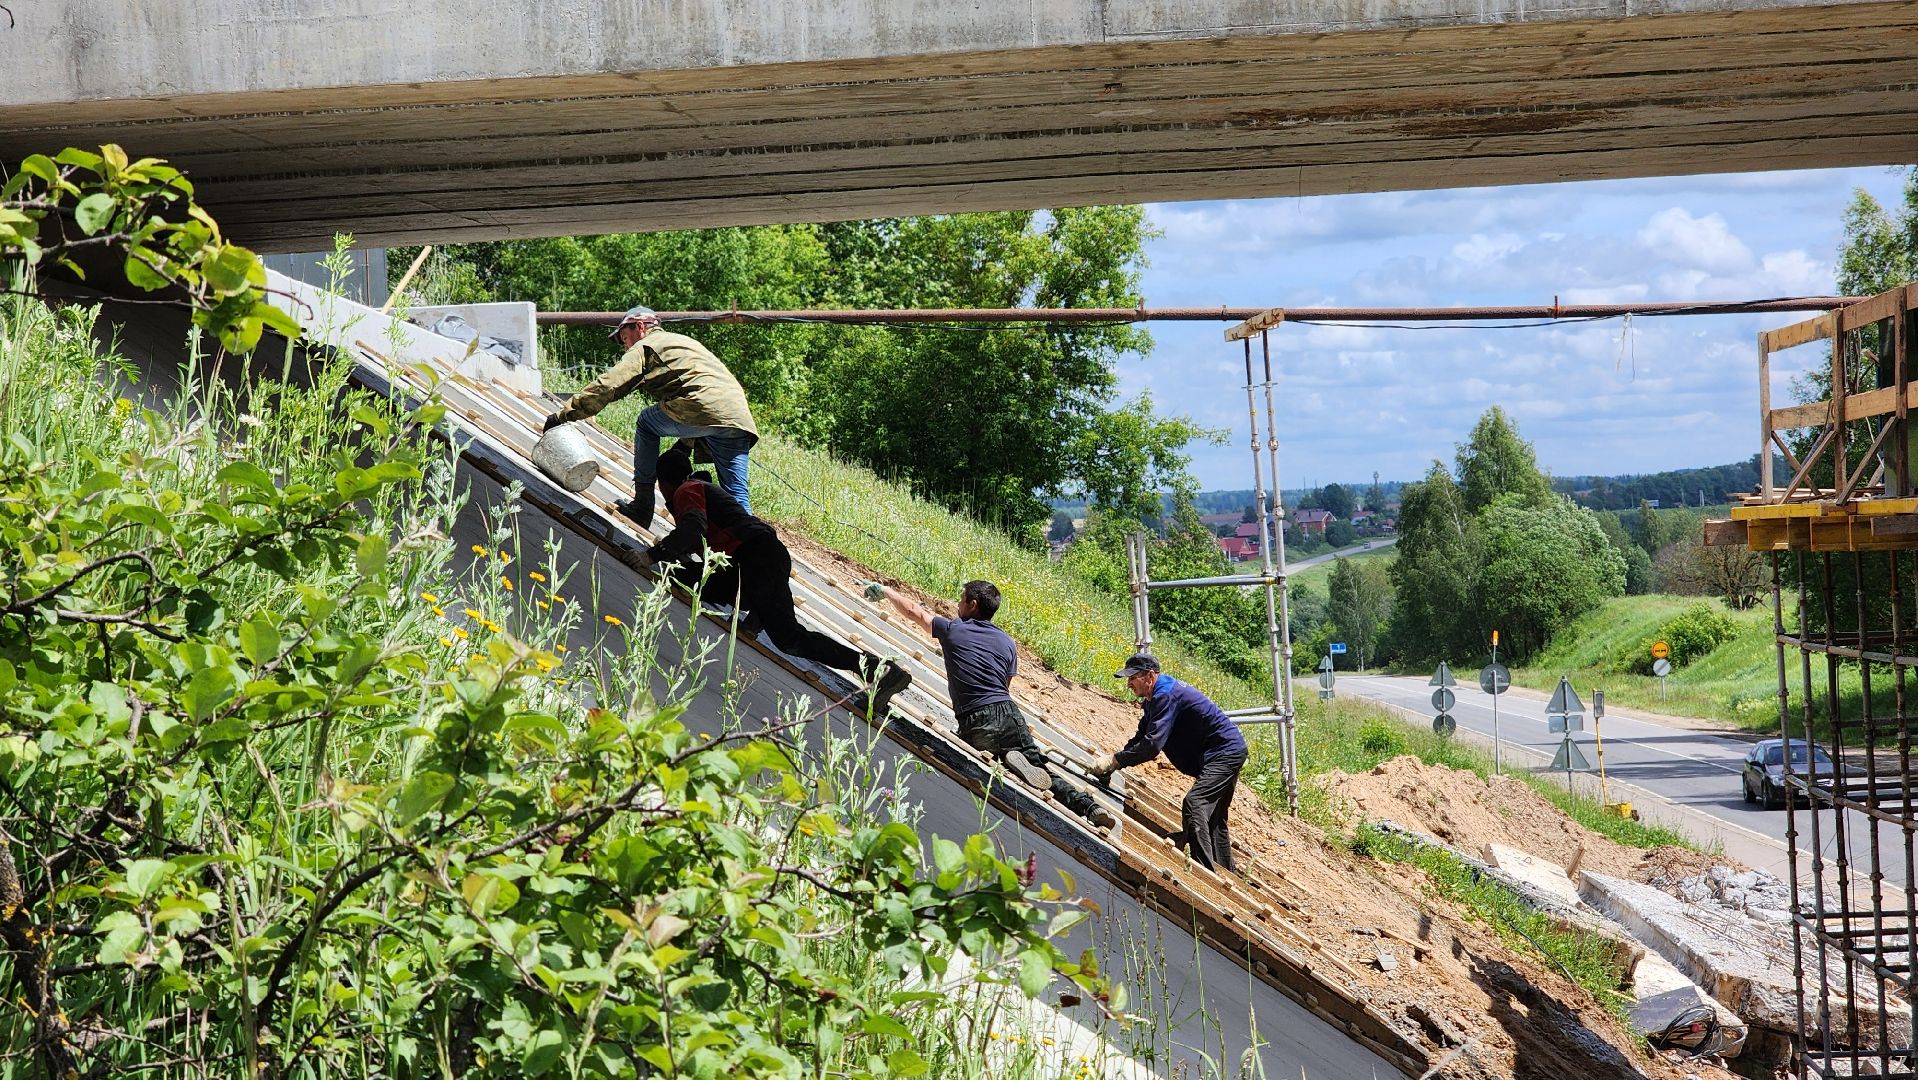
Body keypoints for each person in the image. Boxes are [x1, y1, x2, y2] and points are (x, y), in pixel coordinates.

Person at [641, 445, 910, 717]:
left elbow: (693, 528)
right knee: (683, 576)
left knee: (788, 638)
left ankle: (881, 671)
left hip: (757, 559)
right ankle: (756, 614)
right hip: (754, 560)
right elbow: (703, 540)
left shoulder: (687, 490)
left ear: (663, 482)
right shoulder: (701, 490)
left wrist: (650, 557)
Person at [866, 579, 1115, 830]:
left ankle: (1006, 758)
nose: (957, 604)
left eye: (961, 600)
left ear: (973, 605)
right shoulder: (1007, 643)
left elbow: (914, 611)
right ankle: (1090, 807)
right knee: (1040, 766)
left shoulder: (953, 629)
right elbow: (1005, 685)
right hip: (1007, 713)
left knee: (980, 754)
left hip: (975, 719)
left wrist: (885, 590)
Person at [542, 305, 758, 528]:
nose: (625, 346)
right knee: (737, 495)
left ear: (641, 327)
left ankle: (643, 506)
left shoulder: (646, 345)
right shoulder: (680, 342)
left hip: (704, 408)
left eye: (625, 338)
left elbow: (608, 385)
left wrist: (563, 416)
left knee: (646, 423)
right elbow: (695, 385)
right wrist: (685, 444)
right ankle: (753, 549)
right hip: (738, 416)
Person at [1090, 654, 1247, 872]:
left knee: (1195, 804)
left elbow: (1152, 745)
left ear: (1149, 676)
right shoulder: (1155, 697)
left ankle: (1204, 874)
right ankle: (1225, 871)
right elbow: (1142, 736)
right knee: (1215, 817)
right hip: (1226, 750)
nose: (1129, 684)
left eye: (1133, 677)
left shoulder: (1165, 696)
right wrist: (1114, 763)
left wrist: (1116, 761)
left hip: (1223, 752)